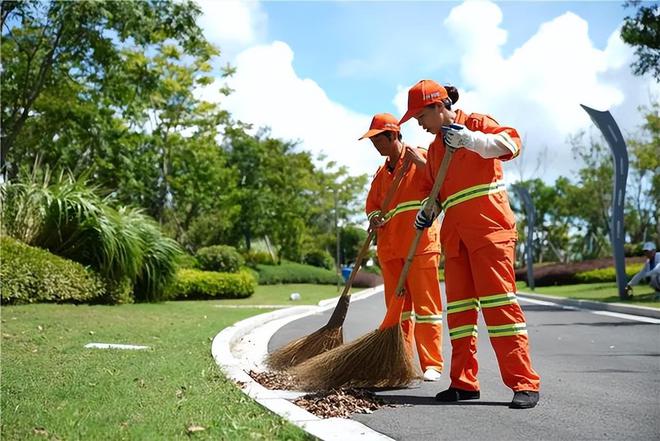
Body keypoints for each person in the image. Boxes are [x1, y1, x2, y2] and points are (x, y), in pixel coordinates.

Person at [399, 80, 541, 409]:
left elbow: (511, 144)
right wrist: (428, 212)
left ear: (438, 107)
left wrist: (470, 140)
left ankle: (524, 382)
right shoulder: (434, 150)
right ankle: (464, 383)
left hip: (490, 232)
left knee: (500, 309)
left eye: (420, 115)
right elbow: (436, 194)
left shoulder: (477, 123)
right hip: (456, 239)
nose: (418, 123)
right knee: (460, 314)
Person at [361, 112, 444, 381]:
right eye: (372, 141)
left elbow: (439, 184)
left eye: (379, 140)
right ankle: (401, 362)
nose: (375, 146)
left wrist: (420, 163)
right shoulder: (381, 173)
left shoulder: (421, 157)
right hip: (390, 249)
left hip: (420, 246)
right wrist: (374, 218)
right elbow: (372, 205)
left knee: (426, 307)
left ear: (394, 135)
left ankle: (432, 363)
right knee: (397, 310)